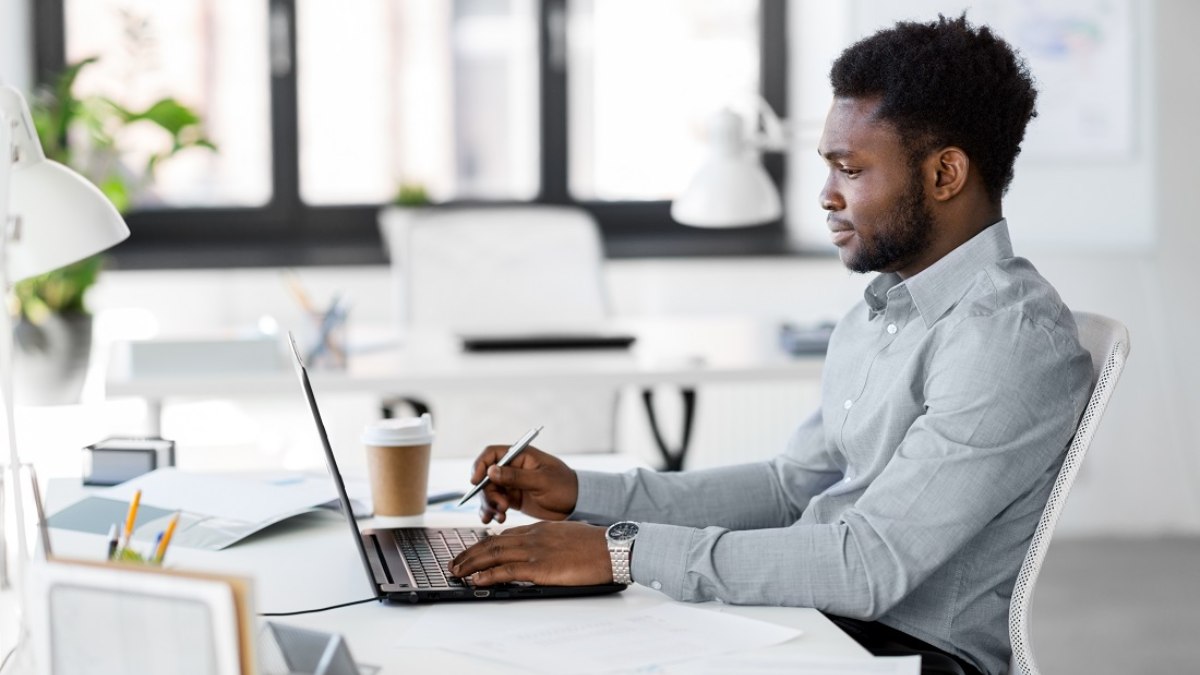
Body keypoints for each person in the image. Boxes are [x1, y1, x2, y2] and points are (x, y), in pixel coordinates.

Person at [449, 14, 1092, 675]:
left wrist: (619, 549)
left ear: (945, 174)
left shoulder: (1006, 341)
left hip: (904, 652)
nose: (826, 195)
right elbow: (789, 489)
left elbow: (867, 565)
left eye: (850, 169)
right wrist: (587, 492)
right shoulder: (885, 310)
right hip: (817, 620)